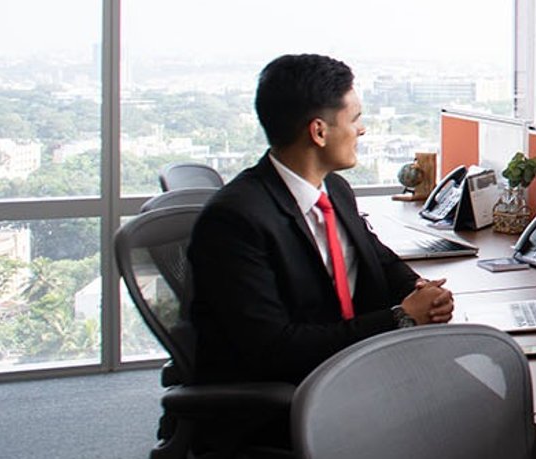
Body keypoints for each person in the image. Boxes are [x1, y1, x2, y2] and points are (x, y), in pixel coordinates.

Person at [189, 54, 456, 383]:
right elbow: (274, 349)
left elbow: (377, 257)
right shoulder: (235, 221)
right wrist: (401, 317)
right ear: (318, 132)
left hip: (349, 370)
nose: (362, 129)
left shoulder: (334, 189)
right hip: (289, 396)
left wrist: (420, 290)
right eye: (355, 118)